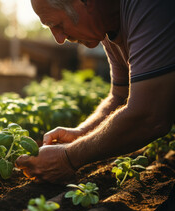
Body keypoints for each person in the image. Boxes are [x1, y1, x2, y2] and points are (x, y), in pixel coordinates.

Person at [16, 0, 175, 183]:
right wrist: (81, 133)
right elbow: (120, 97)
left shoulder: (148, 7)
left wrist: (68, 157)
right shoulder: (107, 30)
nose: (59, 39)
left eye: (58, 25)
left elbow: (149, 116)